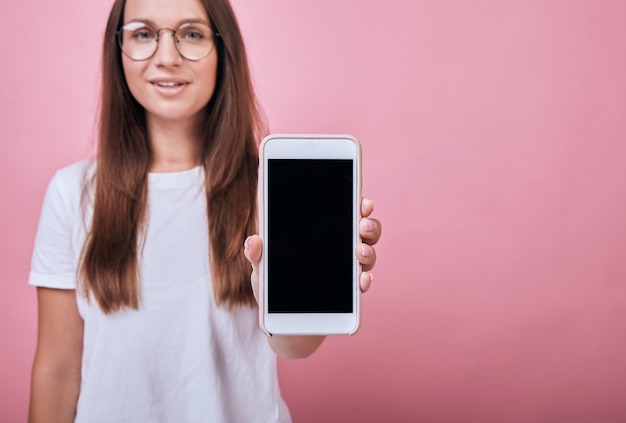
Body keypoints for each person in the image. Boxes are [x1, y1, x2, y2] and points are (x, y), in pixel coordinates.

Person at [27, 0, 381, 421]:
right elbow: (57, 369)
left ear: (223, 48)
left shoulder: (269, 188)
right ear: (117, 49)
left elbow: (294, 346)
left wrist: (316, 281)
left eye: (191, 34)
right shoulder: (73, 193)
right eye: (143, 34)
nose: (166, 56)